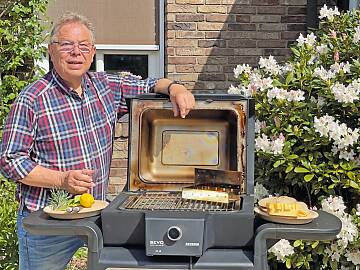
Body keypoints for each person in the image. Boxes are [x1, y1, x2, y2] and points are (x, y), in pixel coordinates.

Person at [0, 12, 195, 270]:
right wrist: (61, 180)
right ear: (51, 51)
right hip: (48, 221)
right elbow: (10, 160)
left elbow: (149, 84)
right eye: (67, 45)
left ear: (92, 53)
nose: (76, 53)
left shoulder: (107, 87)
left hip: (96, 214)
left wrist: (175, 88)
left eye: (83, 46)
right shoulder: (32, 99)